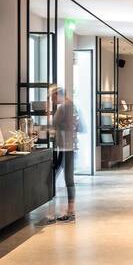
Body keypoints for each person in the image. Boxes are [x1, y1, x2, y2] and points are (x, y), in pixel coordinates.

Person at [51, 87, 78, 221]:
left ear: (58, 95)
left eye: (53, 97)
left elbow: (54, 124)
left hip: (65, 148)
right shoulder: (73, 106)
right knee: (66, 178)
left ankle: (69, 211)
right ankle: (69, 210)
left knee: (65, 178)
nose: (52, 100)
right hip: (70, 146)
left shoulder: (63, 108)